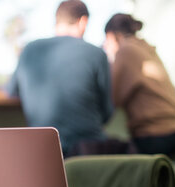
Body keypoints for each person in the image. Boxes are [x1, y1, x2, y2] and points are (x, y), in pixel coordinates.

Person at [6, 0, 114, 156]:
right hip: (88, 152)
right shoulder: (96, 54)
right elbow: (107, 112)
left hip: (45, 150)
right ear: (83, 22)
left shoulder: (29, 49)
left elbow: (12, 92)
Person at [104, 13, 175, 155]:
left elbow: (112, 98)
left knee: (108, 157)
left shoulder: (125, 50)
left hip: (156, 136)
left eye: (107, 41)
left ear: (113, 36)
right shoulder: (146, 47)